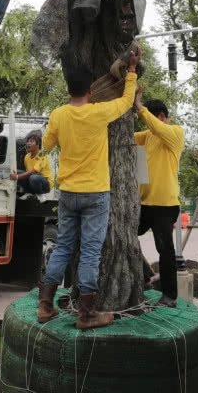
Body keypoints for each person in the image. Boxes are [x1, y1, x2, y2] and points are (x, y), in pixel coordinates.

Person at [38, 50, 140, 330]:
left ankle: (45, 306)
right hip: (96, 193)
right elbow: (127, 101)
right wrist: (131, 71)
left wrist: (54, 126)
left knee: (63, 247)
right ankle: (86, 314)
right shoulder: (99, 112)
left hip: (68, 192)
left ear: (69, 89)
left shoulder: (59, 115)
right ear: (91, 89)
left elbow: (47, 143)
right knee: (90, 252)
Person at [134, 91, 185, 308]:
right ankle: (147, 276)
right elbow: (124, 135)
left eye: (152, 119)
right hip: (144, 203)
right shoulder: (147, 136)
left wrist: (139, 106)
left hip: (165, 204)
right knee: (125, 235)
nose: (148, 125)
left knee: (165, 250)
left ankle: (170, 296)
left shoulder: (174, 133)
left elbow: (156, 127)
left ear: (162, 117)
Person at [10, 131, 53, 196]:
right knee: (18, 173)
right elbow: (27, 172)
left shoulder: (42, 155)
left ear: (37, 145)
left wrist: (17, 176)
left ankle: (40, 195)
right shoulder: (27, 157)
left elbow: (34, 171)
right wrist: (16, 174)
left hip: (45, 184)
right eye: (28, 141)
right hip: (33, 179)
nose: (28, 143)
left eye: (31, 141)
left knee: (33, 178)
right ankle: (29, 193)